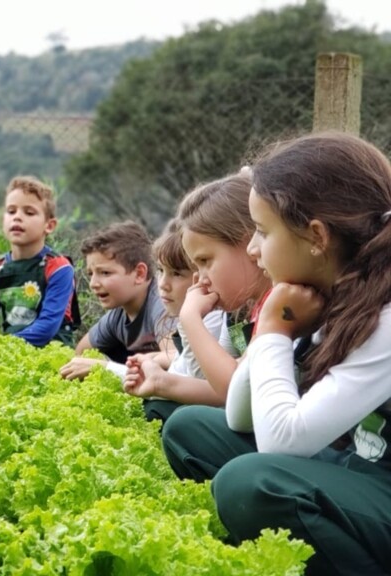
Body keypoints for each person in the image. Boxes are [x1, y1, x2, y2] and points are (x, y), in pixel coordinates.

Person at [162, 132, 391, 574]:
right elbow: (239, 415)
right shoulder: (334, 295)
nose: (252, 249)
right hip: (359, 466)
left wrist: (271, 330)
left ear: (317, 237)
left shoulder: (384, 316)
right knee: (189, 427)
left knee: (251, 484)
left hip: (381, 480)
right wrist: (282, 330)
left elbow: (283, 440)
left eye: (263, 233)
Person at [172, 171, 271, 399]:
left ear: (249, 243)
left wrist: (190, 319)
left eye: (205, 261)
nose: (202, 278)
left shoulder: (281, 300)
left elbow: (232, 388)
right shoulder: (246, 309)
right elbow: (209, 378)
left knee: (185, 422)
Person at [123, 218, 232, 422]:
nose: (163, 284)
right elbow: (182, 369)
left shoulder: (213, 315)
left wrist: (189, 318)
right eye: (161, 270)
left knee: (164, 414)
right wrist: (156, 360)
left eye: (177, 274)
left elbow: (205, 382)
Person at [0, 175, 78, 347]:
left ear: (49, 225)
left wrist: (1, 346)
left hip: (53, 360)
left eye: (29, 212)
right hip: (11, 361)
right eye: (11, 211)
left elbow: (47, 328)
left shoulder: (59, 268)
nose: (17, 217)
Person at [59, 220, 167, 380]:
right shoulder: (117, 315)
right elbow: (80, 353)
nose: (93, 283)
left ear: (139, 274)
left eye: (105, 273)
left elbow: (176, 361)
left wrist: (106, 368)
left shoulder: (162, 304)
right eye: (90, 274)